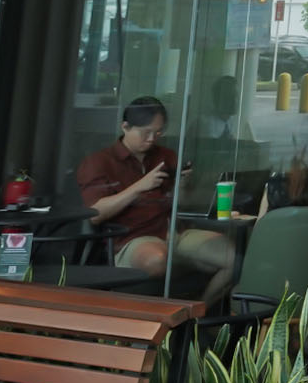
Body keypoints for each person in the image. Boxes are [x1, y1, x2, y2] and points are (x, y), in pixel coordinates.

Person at [77, 96, 237, 305]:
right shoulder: (100, 162)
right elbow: (95, 214)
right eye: (146, 132)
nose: (152, 138)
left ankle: (197, 312)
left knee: (232, 258)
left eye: (158, 132)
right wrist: (139, 186)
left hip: (174, 233)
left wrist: (182, 185)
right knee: (158, 259)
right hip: (132, 238)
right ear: (125, 127)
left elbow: (182, 203)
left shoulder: (165, 156)